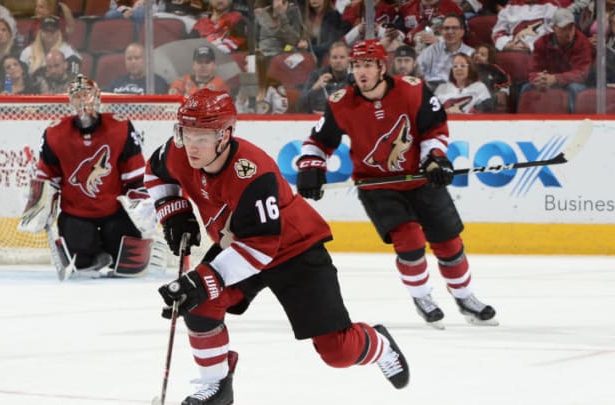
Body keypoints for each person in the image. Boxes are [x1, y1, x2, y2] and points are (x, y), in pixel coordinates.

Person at [145, 88, 410, 405]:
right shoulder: (178, 151)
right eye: (186, 133)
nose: (191, 145)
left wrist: (203, 280)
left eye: (202, 137)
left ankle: (379, 343)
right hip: (241, 244)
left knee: (337, 352)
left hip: (293, 249)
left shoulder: (254, 172)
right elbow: (155, 172)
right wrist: (173, 211)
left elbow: (261, 248)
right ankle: (216, 385)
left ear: (225, 135)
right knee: (199, 302)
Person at [296, 39, 498, 329]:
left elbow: (434, 129)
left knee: (449, 243)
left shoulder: (412, 90)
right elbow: (317, 142)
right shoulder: (342, 102)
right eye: (356, 65)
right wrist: (311, 167)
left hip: (419, 177)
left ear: (381, 66)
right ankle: (422, 298)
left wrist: (435, 159)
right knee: (410, 243)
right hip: (378, 186)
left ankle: (465, 297)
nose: (361, 71)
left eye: (367, 64)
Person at [30, 74, 155, 278]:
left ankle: (110, 249)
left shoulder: (120, 127)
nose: (83, 100)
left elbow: (135, 174)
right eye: (77, 96)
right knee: (82, 264)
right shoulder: (55, 133)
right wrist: (40, 207)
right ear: (70, 100)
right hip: (76, 216)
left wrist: (143, 208)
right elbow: (47, 178)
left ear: (98, 96)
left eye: (87, 94)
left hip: (114, 213)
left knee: (129, 265)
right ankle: (94, 253)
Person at [521, 8, 592, 113]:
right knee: (526, 88)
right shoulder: (541, 42)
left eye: (571, 27)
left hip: (573, 82)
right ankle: (523, 123)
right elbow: (533, 70)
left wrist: (556, 78)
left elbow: (582, 74)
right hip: (549, 81)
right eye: (564, 28)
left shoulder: (583, 43)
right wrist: (539, 79)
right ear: (554, 28)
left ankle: (574, 123)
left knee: (574, 88)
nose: (569, 32)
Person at [417, 13, 473, 89]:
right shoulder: (431, 50)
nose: (450, 32)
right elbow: (417, 68)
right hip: (428, 90)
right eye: (446, 28)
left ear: (462, 32)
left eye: (454, 28)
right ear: (441, 31)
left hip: (454, 92)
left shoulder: (470, 54)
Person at [298, 40, 351, 114]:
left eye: (342, 57)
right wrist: (315, 88)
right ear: (329, 60)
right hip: (315, 119)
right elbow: (301, 104)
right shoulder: (316, 75)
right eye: (334, 57)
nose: (338, 61)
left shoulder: (354, 79)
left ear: (349, 59)